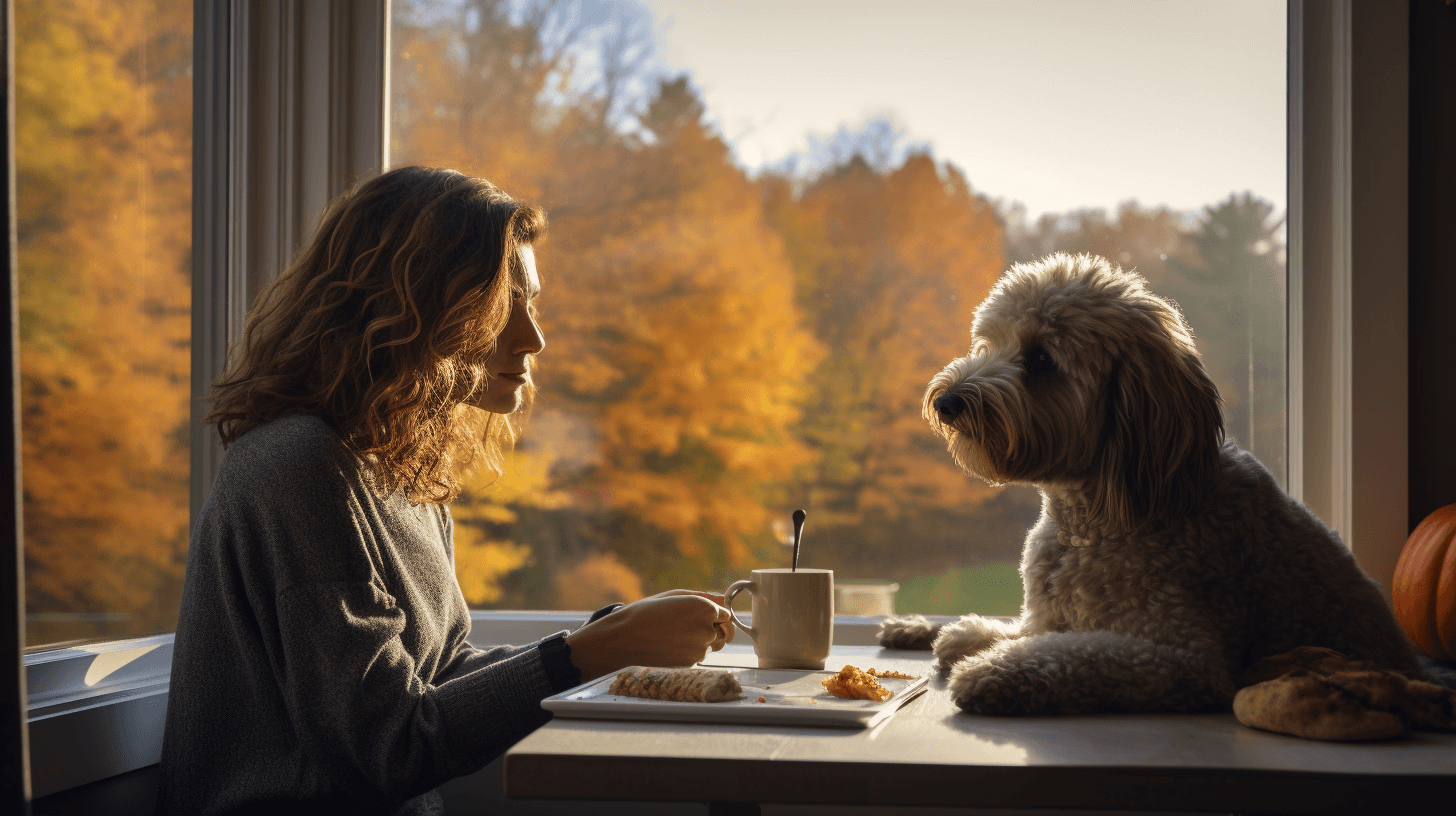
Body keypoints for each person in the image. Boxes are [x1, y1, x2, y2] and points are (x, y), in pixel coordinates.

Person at [155, 166, 733, 815]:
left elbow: (442, 674)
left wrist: (609, 637)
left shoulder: (403, 472)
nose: (533, 338)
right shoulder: (299, 471)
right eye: (503, 305)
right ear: (413, 307)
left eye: (531, 302)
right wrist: (591, 653)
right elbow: (391, 747)